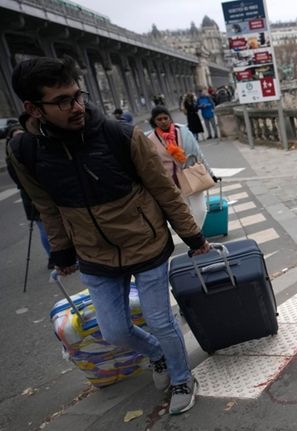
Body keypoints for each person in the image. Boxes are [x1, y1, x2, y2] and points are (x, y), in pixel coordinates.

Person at [7, 56, 209, 415]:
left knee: (161, 319)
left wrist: (193, 237)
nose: (77, 107)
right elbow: (48, 208)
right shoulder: (25, 151)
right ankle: (158, 355)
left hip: (145, 243)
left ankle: (181, 377)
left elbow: (164, 190)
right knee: (113, 330)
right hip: (94, 254)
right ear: (32, 108)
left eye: (78, 95)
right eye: (63, 101)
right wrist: (62, 252)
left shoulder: (120, 135)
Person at [146, 105, 219, 227]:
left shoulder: (183, 131)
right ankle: (196, 240)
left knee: (200, 210)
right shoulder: (150, 139)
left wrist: (210, 173)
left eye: (165, 118)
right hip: (171, 182)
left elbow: (198, 153)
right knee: (184, 213)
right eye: (159, 119)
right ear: (154, 121)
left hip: (191, 175)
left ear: (170, 118)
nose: (163, 122)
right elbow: (151, 165)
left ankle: (197, 235)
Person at [4, 119, 52, 269]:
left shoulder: (30, 152)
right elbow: (19, 182)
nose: (18, 138)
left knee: (50, 228)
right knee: (44, 229)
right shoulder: (14, 158)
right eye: (15, 135)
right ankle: (53, 258)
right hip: (31, 199)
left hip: (40, 196)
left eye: (20, 134)